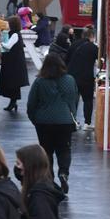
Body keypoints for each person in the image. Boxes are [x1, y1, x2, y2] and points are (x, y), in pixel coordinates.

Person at [25, 53, 77, 194]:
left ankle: (49, 179)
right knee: (64, 149)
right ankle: (63, 173)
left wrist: (34, 119)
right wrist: (72, 115)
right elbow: (73, 100)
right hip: (64, 121)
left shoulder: (39, 82)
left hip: (44, 122)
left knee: (46, 151)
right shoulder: (70, 80)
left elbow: (31, 103)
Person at [66, 26, 98, 128]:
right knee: (87, 100)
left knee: (73, 100)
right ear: (92, 36)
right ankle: (87, 123)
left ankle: (72, 122)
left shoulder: (73, 45)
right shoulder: (93, 47)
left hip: (72, 77)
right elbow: (100, 61)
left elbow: (66, 60)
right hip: (87, 78)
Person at [0, 16, 29, 112]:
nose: (6, 24)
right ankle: (13, 102)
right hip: (14, 62)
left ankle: (13, 103)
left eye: (8, 23)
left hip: (14, 63)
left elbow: (8, 46)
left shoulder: (15, 34)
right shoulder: (13, 34)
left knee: (13, 84)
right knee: (14, 84)